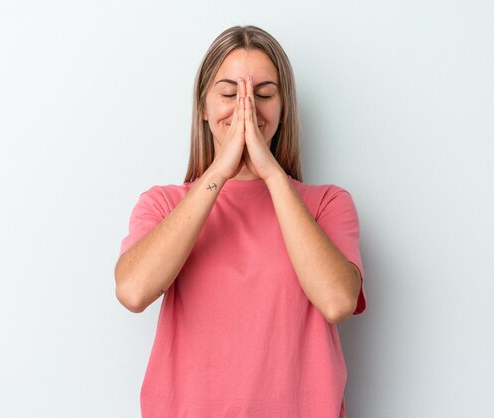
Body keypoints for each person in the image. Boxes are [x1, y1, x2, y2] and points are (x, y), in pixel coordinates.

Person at [115, 25, 366, 418]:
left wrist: (270, 173)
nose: (246, 108)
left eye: (263, 95)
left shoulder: (327, 204)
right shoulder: (163, 204)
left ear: (283, 108)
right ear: (203, 107)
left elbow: (336, 301)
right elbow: (133, 292)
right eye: (230, 94)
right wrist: (220, 171)